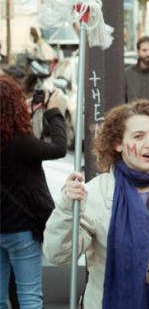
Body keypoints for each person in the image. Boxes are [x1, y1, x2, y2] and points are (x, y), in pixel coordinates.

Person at [43, 100, 149, 308]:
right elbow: (59, 255)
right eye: (138, 136)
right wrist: (66, 208)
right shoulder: (93, 194)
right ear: (117, 144)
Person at [1, 76, 67, 308]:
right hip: (22, 231)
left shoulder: (15, 142)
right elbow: (59, 148)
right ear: (15, 107)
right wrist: (54, 112)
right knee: (29, 296)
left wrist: (27, 112)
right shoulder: (21, 144)